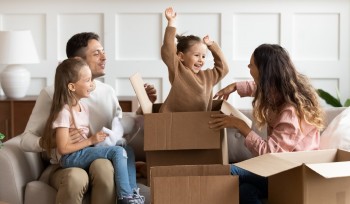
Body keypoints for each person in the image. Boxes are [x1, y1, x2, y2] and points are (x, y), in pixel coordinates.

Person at [20, 32, 157, 204]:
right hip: (65, 162)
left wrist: (142, 110)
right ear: (78, 60)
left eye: (103, 51)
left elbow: (119, 131)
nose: (104, 57)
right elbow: (25, 140)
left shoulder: (108, 92)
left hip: (99, 158)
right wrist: (52, 141)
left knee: (104, 168)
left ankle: (128, 196)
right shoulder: (52, 93)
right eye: (96, 53)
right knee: (76, 178)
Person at [208, 43, 324, 204]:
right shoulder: (279, 90)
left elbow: (271, 155)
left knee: (229, 171)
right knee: (246, 191)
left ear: (265, 72)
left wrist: (241, 126)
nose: (248, 66)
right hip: (282, 169)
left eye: (252, 65)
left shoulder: (290, 112)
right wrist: (236, 86)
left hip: (293, 174)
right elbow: (259, 88)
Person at [41, 57, 144, 204]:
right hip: (70, 158)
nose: (91, 84)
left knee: (127, 150)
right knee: (118, 152)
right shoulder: (64, 112)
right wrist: (91, 140)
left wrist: (103, 140)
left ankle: (133, 194)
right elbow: (63, 148)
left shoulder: (84, 108)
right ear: (72, 87)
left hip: (82, 152)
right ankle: (125, 197)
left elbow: (84, 137)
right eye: (87, 80)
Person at [160, 7, 229, 113]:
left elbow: (223, 68)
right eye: (197, 55)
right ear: (181, 57)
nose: (201, 60)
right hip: (173, 121)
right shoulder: (178, 70)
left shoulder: (208, 77)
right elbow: (168, 50)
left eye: (204, 56)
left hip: (198, 122)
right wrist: (171, 23)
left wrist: (212, 45)